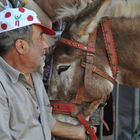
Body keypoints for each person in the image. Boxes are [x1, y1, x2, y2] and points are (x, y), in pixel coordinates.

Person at [0, 8, 85, 140]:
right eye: (40, 38)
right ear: (21, 46)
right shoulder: (2, 86)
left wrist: (78, 132)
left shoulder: (34, 73)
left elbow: (45, 121)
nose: (46, 45)